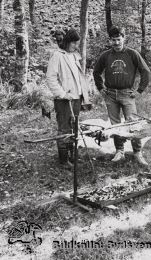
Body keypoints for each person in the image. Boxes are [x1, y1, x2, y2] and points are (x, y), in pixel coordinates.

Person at [93, 26, 151, 165]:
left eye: (119, 39)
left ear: (123, 38)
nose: (117, 43)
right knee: (115, 125)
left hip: (127, 94)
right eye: (113, 40)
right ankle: (120, 151)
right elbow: (96, 71)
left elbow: (146, 72)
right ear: (110, 40)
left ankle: (137, 152)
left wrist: (139, 90)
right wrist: (101, 88)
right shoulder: (106, 55)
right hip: (111, 95)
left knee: (133, 123)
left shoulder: (132, 54)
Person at [46, 28, 92, 169]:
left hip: (76, 98)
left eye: (77, 44)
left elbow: (78, 77)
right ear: (67, 42)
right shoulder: (57, 56)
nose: (76, 46)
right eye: (74, 43)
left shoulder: (74, 55)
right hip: (64, 100)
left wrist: (83, 94)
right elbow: (50, 78)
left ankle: (73, 156)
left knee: (74, 127)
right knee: (64, 129)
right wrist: (62, 94)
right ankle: (64, 160)